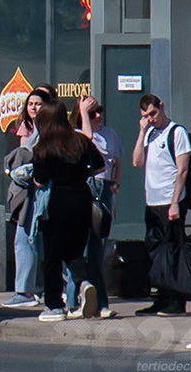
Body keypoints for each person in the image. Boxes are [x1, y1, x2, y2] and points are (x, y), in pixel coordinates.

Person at [31, 101, 105, 322]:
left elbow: (40, 180)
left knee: (53, 255)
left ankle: (54, 306)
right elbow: (100, 166)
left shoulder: (44, 147)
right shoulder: (80, 140)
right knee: (74, 250)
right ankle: (84, 283)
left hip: (57, 202)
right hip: (82, 199)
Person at [131, 94, 191, 317]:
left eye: (153, 114)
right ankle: (161, 298)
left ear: (161, 107)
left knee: (173, 251)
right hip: (152, 201)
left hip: (170, 200)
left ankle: (176, 301)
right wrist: (141, 131)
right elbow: (137, 162)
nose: (151, 119)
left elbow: (182, 170)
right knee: (155, 253)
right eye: (146, 116)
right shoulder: (150, 134)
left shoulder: (177, 132)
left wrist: (175, 202)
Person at [66, 96, 119, 318]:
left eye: (99, 112)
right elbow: (87, 140)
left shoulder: (109, 134)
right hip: (85, 187)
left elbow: (115, 161)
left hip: (103, 188)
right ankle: (72, 301)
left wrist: (116, 181)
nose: (97, 116)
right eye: (92, 113)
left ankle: (101, 303)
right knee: (79, 248)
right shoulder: (76, 135)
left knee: (98, 246)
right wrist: (83, 114)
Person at [3, 86, 55, 308]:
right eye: (31, 103)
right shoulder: (31, 129)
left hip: (40, 194)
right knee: (36, 241)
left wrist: (21, 173)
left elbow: (37, 165)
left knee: (27, 238)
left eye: (39, 104)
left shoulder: (47, 131)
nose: (34, 108)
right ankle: (45, 289)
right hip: (35, 194)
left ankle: (26, 292)